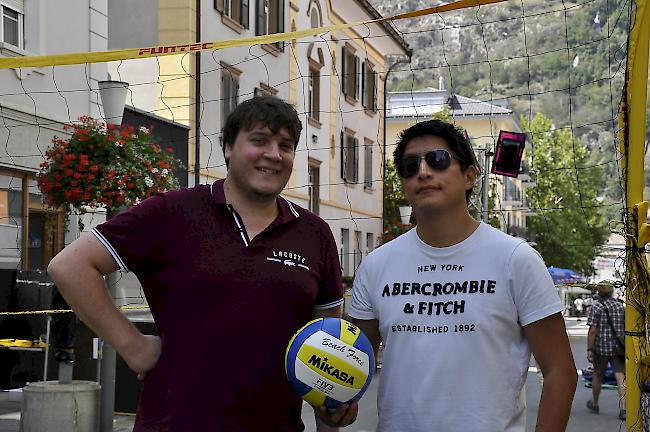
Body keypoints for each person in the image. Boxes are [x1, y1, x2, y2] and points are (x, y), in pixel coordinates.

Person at [47, 96, 357, 431]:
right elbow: (70, 266)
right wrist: (132, 344)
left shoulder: (314, 233)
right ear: (227, 147)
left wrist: (331, 407)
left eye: (285, 145)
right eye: (259, 140)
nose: (273, 154)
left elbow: (325, 346)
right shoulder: (172, 212)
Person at [347, 119, 577, 431]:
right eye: (410, 166)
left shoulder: (515, 259)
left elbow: (560, 370)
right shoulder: (376, 266)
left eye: (438, 160)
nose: (423, 172)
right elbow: (353, 365)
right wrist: (337, 404)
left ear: (470, 175)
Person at [586, 282, 626, 420]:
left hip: (601, 347)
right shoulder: (620, 306)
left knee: (598, 375)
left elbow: (592, 331)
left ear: (599, 292)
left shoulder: (596, 307)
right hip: (618, 347)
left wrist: (589, 349)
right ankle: (624, 408)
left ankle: (595, 403)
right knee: (621, 377)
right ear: (611, 292)